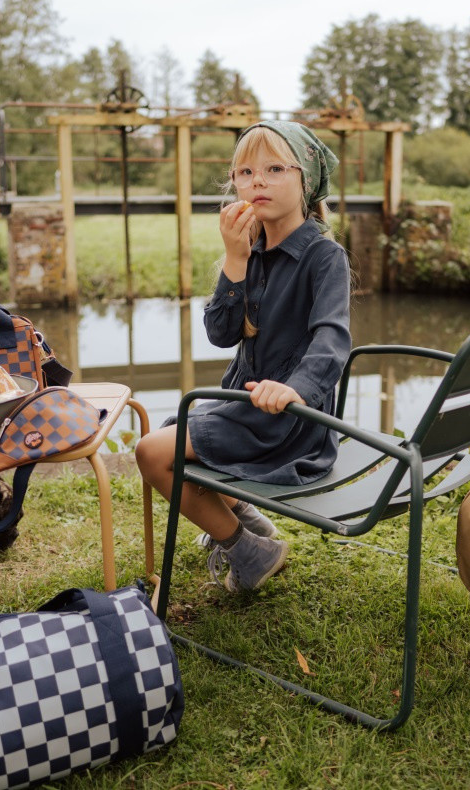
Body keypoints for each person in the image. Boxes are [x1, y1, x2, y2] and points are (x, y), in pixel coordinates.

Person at [135, 120, 351, 593]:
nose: (258, 180)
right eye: (246, 171)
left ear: (306, 180)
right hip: (245, 404)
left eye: (275, 168)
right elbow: (220, 333)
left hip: (288, 418)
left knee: (151, 452)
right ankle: (250, 523)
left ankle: (249, 551)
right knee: (172, 432)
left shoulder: (324, 257)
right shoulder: (250, 248)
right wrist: (234, 260)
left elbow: (332, 340)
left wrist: (294, 389)